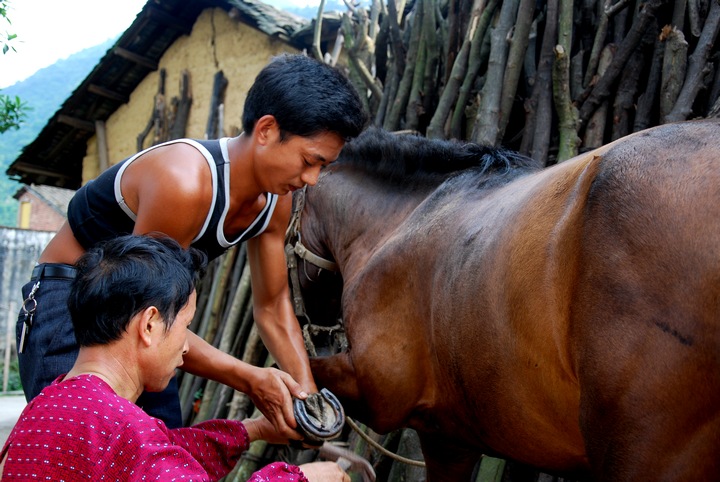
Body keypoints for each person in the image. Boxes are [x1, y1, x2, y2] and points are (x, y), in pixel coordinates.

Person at [16, 53, 368, 433]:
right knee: (90, 446)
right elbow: (139, 307)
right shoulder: (183, 182)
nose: (312, 179)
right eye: (308, 160)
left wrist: (306, 397)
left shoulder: (276, 202)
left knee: (161, 452)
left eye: (322, 166)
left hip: (147, 322)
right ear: (266, 130)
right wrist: (249, 378)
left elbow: (273, 307)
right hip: (71, 305)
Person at [2, 235, 350, 481]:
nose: (185, 348)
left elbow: (164, 452)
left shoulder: (47, 403)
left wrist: (254, 430)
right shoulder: (124, 428)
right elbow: (143, 449)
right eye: (184, 327)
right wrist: (300, 478)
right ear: (150, 325)